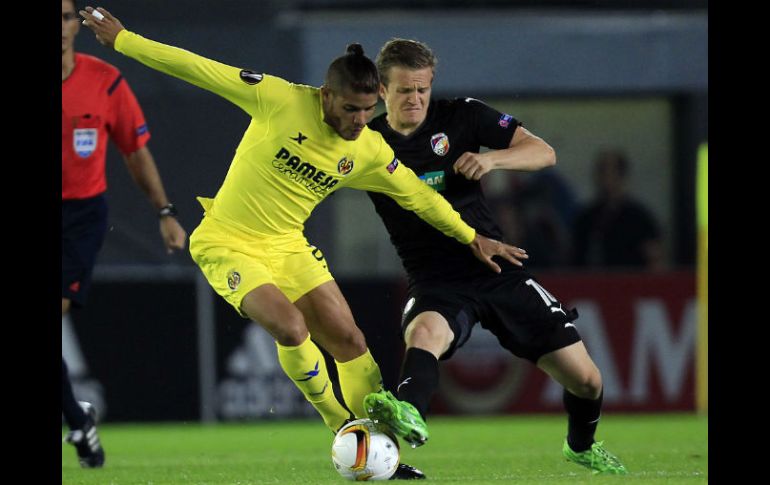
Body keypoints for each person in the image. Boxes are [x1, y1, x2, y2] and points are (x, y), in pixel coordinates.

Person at [80, 7, 527, 480]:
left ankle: (380, 453)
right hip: (227, 242)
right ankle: (343, 427)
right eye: (350, 110)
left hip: (288, 246)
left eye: (368, 111)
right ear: (326, 94)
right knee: (292, 328)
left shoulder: (370, 149)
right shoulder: (279, 99)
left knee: (351, 342)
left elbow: (420, 198)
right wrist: (125, 40)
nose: (359, 121)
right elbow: (199, 68)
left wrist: (472, 236)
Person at [362, 38, 628, 475]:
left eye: (422, 89)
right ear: (382, 92)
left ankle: (581, 446)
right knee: (425, 333)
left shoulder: (462, 115)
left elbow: (544, 152)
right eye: (405, 90)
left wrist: (494, 161)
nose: (416, 99)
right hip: (435, 279)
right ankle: (408, 414)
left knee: (587, 380)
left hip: (498, 267)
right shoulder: (366, 143)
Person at [62, 0, 188, 468]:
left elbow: (136, 152)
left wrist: (166, 212)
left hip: (79, 218)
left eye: (64, 16)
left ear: (76, 24)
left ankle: (77, 419)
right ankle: (78, 419)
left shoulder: (105, 82)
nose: (59, 27)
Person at [572, 149, 664, 270]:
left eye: (608, 171)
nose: (602, 178)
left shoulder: (639, 218)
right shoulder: (586, 218)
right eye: (600, 171)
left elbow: (654, 260)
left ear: (621, 175)